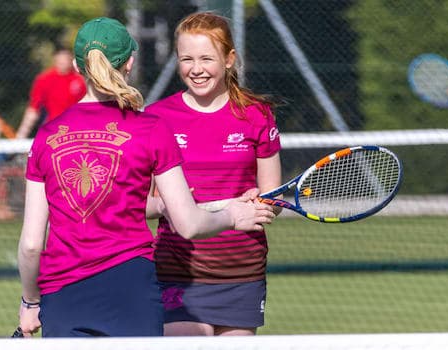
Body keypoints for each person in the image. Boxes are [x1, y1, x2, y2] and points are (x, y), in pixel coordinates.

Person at [17, 17, 275, 338]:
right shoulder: (152, 127)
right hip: (134, 288)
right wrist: (233, 215)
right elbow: (189, 224)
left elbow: (30, 246)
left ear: (76, 66)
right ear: (129, 63)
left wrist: (30, 301)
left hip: (63, 294)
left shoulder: (46, 136)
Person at [144, 12, 283, 336]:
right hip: (178, 271)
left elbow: (273, 198)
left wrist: (260, 202)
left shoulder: (257, 114)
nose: (196, 69)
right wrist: (167, 207)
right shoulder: (156, 117)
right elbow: (140, 204)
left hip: (241, 271)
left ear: (229, 59)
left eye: (206, 58)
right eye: (186, 59)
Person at [15, 47, 87, 138]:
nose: (63, 62)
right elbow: (33, 109)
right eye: (61, 59)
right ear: (55, 59)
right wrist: (21, 136)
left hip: (78, 128)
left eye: (66, 58)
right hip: (54, 129)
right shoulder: (44, 80)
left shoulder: (80, 81)